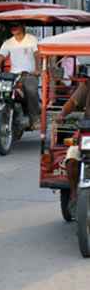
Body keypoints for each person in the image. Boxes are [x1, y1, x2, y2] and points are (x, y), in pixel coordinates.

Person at [0, 23, 40, 129]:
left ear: (22, 27)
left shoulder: (32, 39)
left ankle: (35, 118)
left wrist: (37, 69)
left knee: (31, 90)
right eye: (11, 26)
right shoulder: (8, 43)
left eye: (16, 26)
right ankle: (0, 113)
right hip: (13, 75)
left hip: (29, 74)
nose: (13, 28)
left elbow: (37, 55)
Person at [56, 79, 90, 215]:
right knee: (71, 158)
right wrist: (62, 114)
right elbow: (72, 103)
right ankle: (74, 196)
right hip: (87, 134)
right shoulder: (88, 84)